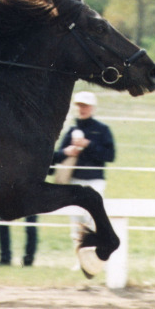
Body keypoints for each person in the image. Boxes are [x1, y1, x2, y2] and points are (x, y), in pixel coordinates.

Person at [52, 91, 115, 263]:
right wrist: (68, 151)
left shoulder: (102, 130)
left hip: (95, 181)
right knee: (76, 225)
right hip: (75, 182)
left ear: (92, 108)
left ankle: (94, 259)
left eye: (85, 106)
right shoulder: (72, 130)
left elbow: (110, 155)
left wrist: (88, 145)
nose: (82, 109)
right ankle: (80, 261)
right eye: (79, 106)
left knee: (93, 222)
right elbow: (57, 155)